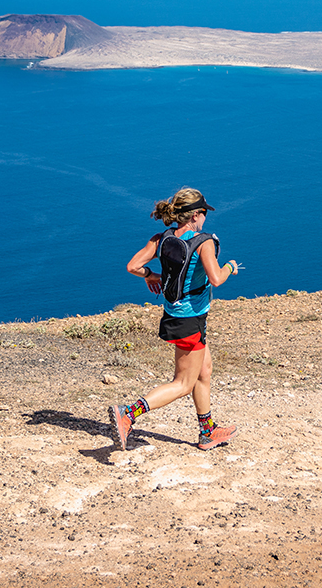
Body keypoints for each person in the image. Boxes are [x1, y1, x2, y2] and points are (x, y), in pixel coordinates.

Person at [112, 188, 241, 451]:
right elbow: (216, 278)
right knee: (182, 384)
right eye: (204, 212)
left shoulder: (163, 238)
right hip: (190, 320)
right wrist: (230, 266)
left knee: (204, 371)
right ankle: (127, 414)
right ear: (195, 215)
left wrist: (150, 274)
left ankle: (208, 433)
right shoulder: (204, 242)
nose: (205, 217)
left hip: (176, 315)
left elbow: (132, 266)